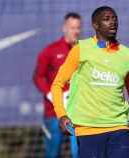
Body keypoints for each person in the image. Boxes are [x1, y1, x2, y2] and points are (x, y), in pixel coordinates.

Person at [51, 6, 129, 158]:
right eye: (106, 19)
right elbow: (57, 84)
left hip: (118, 128)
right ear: (95, 25)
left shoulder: (128, 56)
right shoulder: (81, 49)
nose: (112, 22)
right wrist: (61, 115)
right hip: (88, 129)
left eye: (114, 19)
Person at [33, 12, 81, 158]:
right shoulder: (50, 51)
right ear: (64, 28)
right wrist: (52, 95)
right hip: (53, 113)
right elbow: (38, 77)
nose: (75, 31)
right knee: (53, 153)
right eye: (72, 27)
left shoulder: (84, 50)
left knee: (79, 152)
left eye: (78, 28)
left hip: (77, 113)